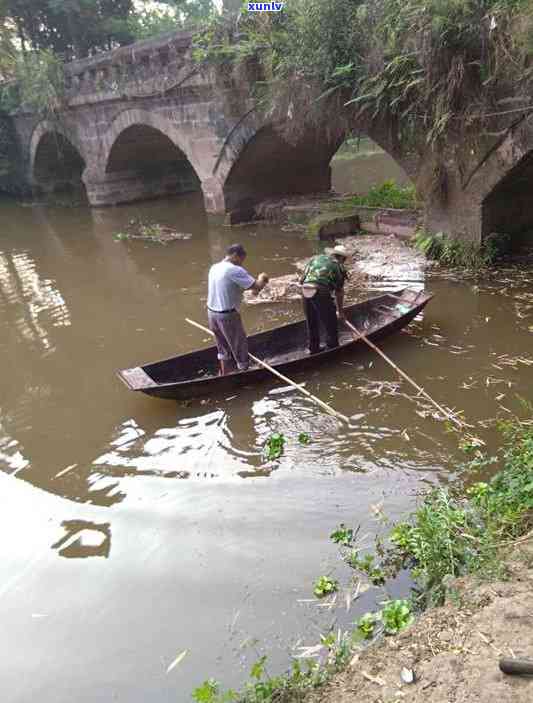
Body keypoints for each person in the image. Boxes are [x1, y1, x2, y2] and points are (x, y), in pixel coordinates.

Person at [207, 244, 269, 375]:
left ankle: (224, 374)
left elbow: (230, 287)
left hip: (212, 313)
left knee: (222, 346)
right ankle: (244, 372)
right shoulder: (234, 270)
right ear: (235, 256)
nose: (241, 264)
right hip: (227, 316)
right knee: (239, 345)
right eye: (241, 260)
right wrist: (263, 277)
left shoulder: (215, 267)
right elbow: (256, 287)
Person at [300, 244, 349, 354]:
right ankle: (332, 348)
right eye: (344, 259)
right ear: (342, 258)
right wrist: (340, 312)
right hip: (320, 290)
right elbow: (339, 292)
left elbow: (301, 280)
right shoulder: (339, 266)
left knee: (311, 321)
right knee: (331, 322)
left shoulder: (315, 259)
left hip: (305, 290)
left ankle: (313, 348)